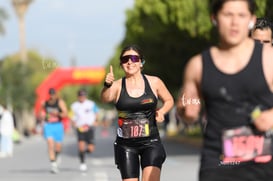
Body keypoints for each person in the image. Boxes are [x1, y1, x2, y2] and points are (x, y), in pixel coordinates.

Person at [176, 0, 273, 181]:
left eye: (241, 15)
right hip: (218, 164)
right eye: (228, 15)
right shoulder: (197, 66)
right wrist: (185, 110)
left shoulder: (269, 60)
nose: (234, 22)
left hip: (263, 165)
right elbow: (190, 107)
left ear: (251, 20)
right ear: (214, 18)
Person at [101, 44, 174, 181]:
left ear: (141, 62)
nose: (130, 62)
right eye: (125, 59)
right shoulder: (117, 85)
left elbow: (169, 100)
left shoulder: (154, 82)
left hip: (151, 142)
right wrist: (107, 85)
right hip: (126, 145)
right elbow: (105, 98)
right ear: (121, 64)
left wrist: (162, 111)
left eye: (134, 58)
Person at [70, 89, 99, 172]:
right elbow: (71, 115)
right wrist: (73, 123)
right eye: (80, 96)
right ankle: (82, 162)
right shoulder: (74, 106)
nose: (82, 97)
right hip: (80, 128)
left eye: (83, 96)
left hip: (90, 127)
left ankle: (82, 154)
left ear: (85, 96)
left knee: (90, 149)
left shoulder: (91, 104)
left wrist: (96, 121)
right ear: (78, 96)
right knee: (81, 146)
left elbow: (96, 112)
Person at [40, 88, 68, 173]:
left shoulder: (60, 102)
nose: (52, 96)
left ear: (56, 94)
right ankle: (53, 165)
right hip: (48, 125)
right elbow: (41, 114)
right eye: (51, 94)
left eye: (53, 94)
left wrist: (58, 114)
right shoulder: (45, 103)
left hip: (58, 125)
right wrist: (43, 116)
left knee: (58, 147)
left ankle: (57, 156)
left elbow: (65, 114)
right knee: (50, 144)